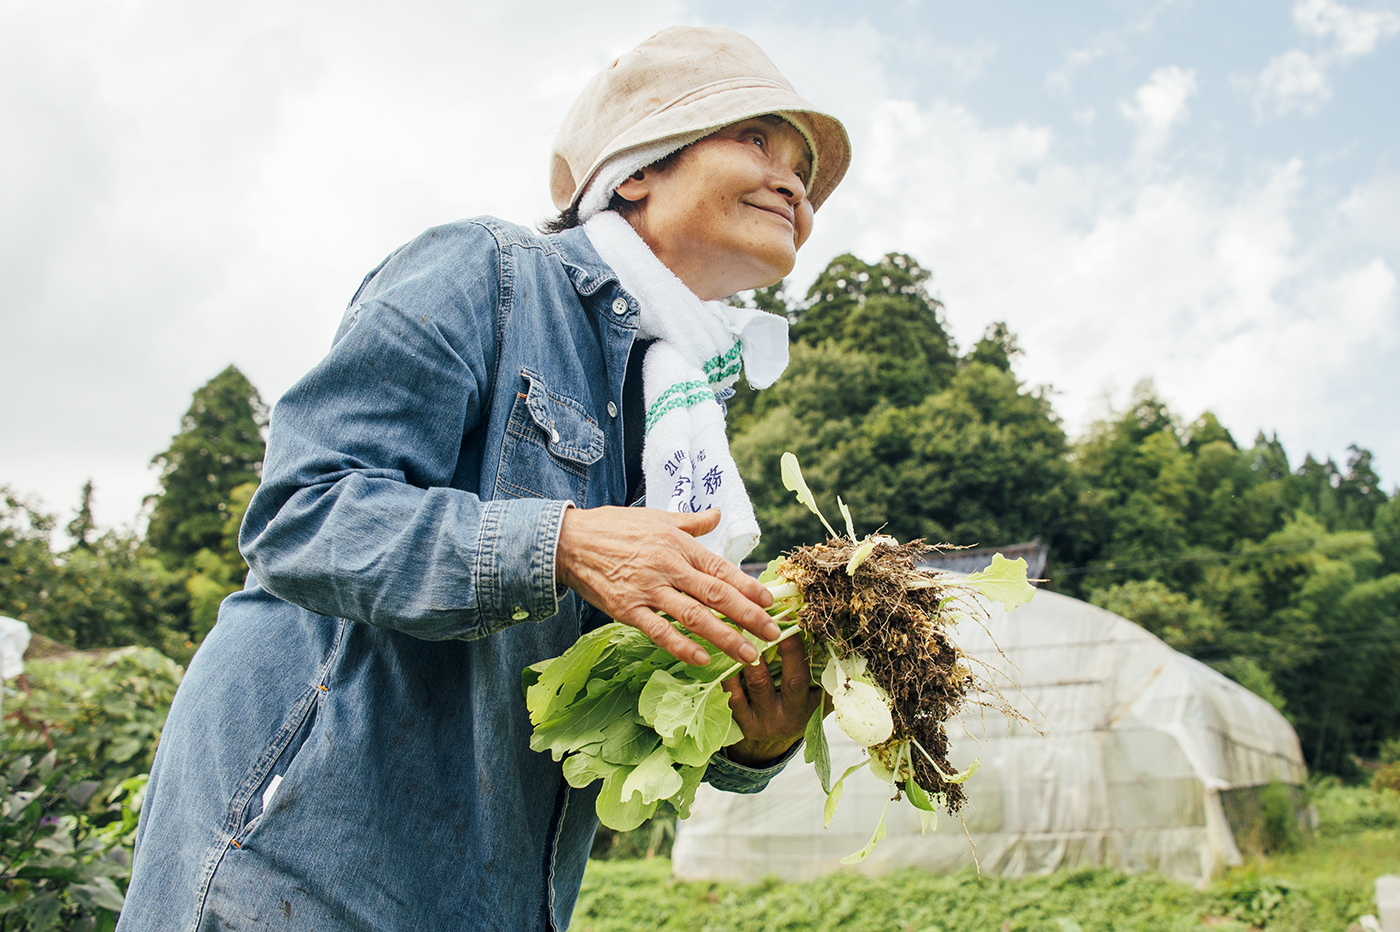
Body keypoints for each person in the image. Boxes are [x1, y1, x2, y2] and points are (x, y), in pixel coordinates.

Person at [117, 25, 850, 932]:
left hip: (492, 890)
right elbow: (302, 513)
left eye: (804, 170)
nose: (793, 181)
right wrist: (562, 542)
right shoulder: (489, 272)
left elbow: (618, 718)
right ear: (635, 171)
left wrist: (754, 736)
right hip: (306, 854)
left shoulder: (683, 420)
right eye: (755, 139)